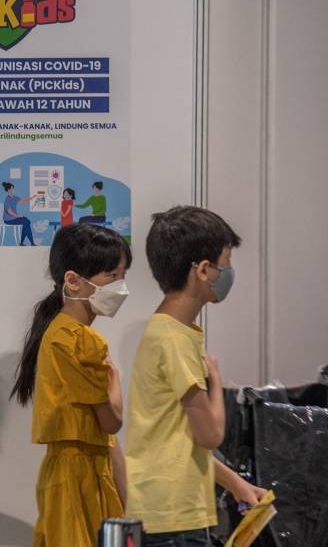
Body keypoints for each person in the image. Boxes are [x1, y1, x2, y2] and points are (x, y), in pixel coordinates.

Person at [126, 206, 267, 546]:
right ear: (204, 270)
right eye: (226, 264)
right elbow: (210, 435)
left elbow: (179, 438)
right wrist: (215, 379)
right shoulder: (175, 339)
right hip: (173, 515)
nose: (229, 272)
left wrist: (237, 485)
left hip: (166, 508)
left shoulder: (169, 332)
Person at [9, 224, 131, 547]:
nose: (120, 287)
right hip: (79, 476)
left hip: (74, 472)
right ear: (73, 281)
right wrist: (114, 380)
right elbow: (112, 420)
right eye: (112, 276)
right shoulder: (79, 340)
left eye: (122, 276)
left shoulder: (60, 334)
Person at [1, 181, 35, 246]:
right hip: (8, 219)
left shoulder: (14, 197)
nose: (13, 189)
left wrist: (33, 197)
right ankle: (31, 242)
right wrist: (18, 216)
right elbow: (9, 212)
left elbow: (23, 200)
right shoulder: (7, 199)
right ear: (8, 189)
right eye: (12, 188)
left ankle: (22, 243)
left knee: (27, 221)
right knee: (26, 222)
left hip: (14, 218)